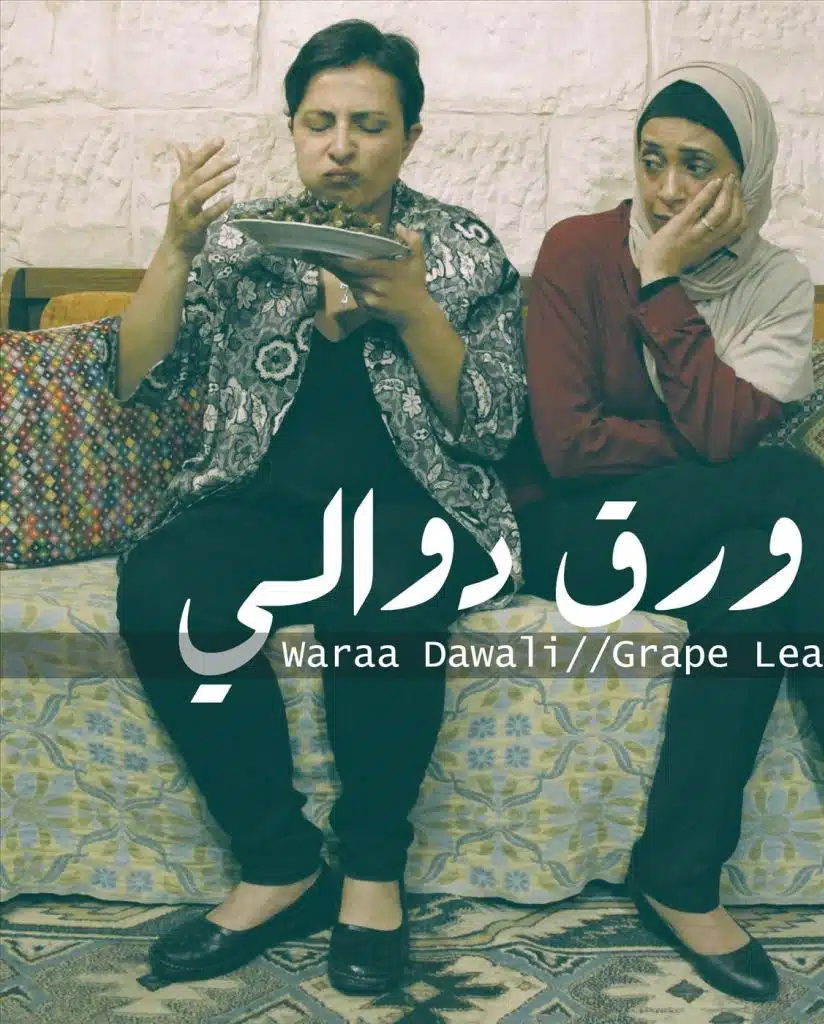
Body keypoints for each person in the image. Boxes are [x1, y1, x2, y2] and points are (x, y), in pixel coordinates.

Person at [501, 61, 824, 1004]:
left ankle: (678, 874)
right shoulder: (577, 250)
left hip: (699, 538)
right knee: (786, 479)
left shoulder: (777, 284)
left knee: (757, 574)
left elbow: (717, 438)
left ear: (749, 173)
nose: (666, 189)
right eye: (651, 159)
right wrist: (676, 343)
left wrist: (663, 290)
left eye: (697, 165)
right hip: (573, 538)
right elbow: (572, 450)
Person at [109, 19, 525, 995]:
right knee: (163, 587)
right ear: (293, 129)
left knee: (383, 598)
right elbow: (138, 379)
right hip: (265, 500)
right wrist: (177, 245)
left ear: (410, 136)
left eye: (368, 125)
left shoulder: (462, 248)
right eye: (318, 122)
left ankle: (372, 873)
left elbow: (495, 426)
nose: (341, 146)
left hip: (419, 503)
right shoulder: (246, 243)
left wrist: (411, 306)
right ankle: (279, 865)